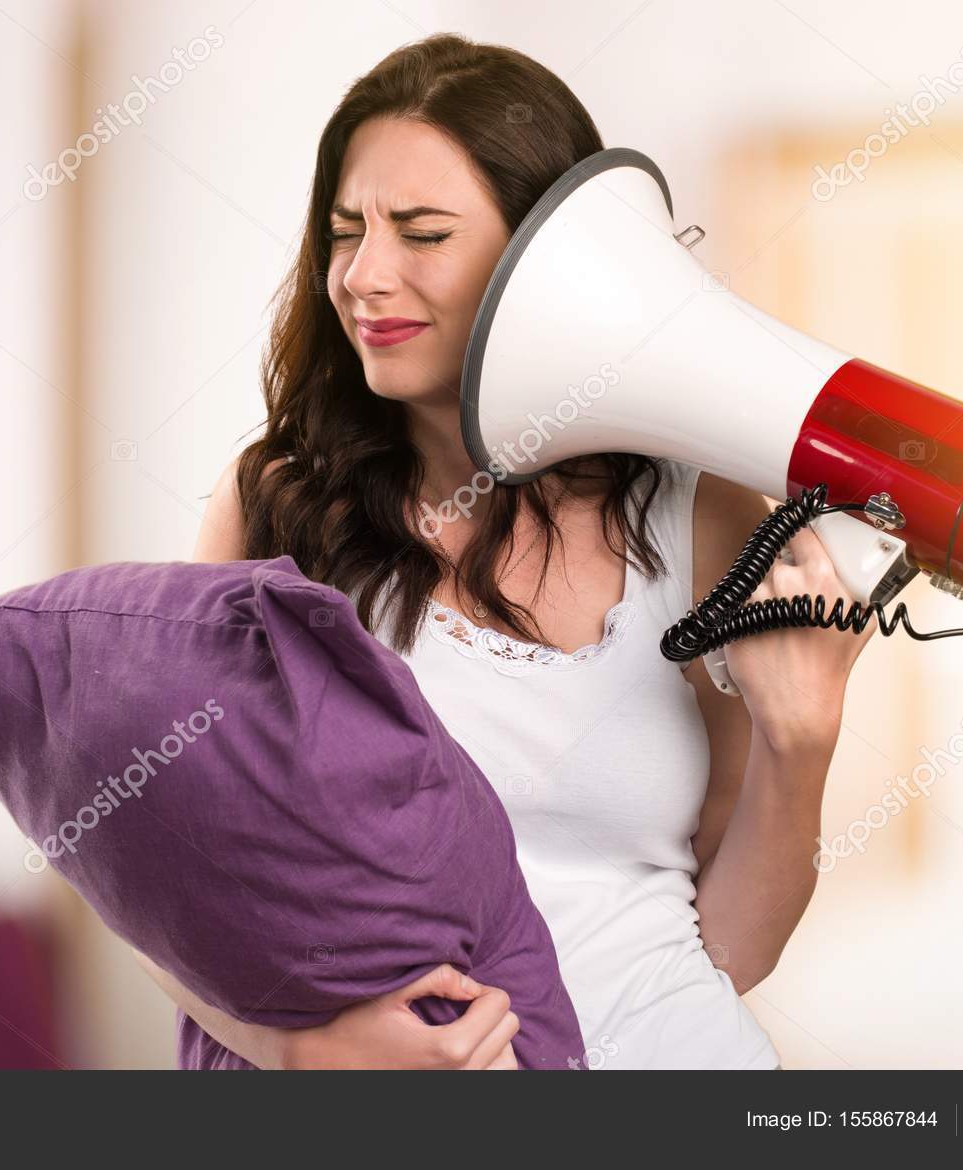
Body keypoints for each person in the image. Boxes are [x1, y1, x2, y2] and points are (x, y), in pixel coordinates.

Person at [136, 32, 875, 1069]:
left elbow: (733, 952)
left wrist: (802, 744)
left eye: (422, 233)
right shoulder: (273, 512)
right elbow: (161, 871)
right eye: (346, 231)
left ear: (552, 260)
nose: (363, 276)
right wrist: (308, 1052)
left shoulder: (702, 518)